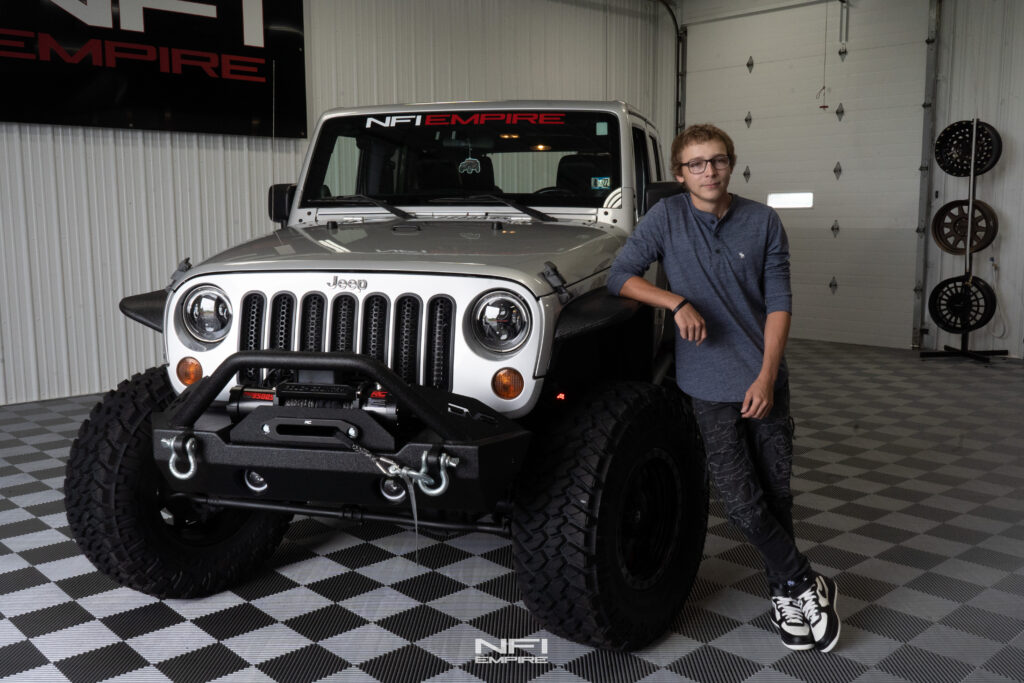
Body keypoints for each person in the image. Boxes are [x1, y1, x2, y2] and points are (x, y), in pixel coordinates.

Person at [606, 123, 840, 652]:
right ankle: (805, 580)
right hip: (706, 385)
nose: (707, 171)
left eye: (717, 160)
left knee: (776, 492)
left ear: (731, 164)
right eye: (696, 163)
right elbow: (619, 275)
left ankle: (784, 593)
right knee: (740, 503)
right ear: (679, 172)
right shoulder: (665, 218)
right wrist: (675, 302)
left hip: (763, 379)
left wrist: (766, 375)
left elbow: (779, 303)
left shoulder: (762, 221)